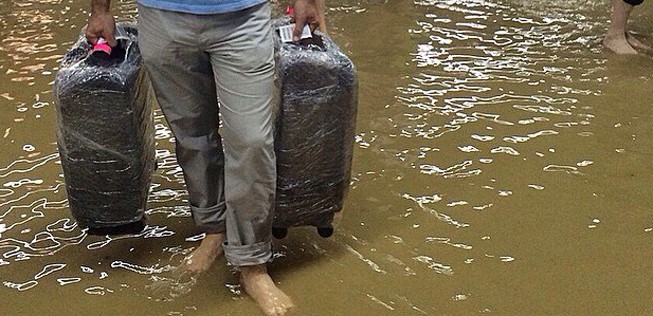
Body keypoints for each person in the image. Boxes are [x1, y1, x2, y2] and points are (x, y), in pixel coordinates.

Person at [85, 0, 325, 315]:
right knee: (192, 137)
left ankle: (251, 264)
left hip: (243, 17)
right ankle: (215, 229)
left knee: (252, 141)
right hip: (161, 17)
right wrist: (100, 11)